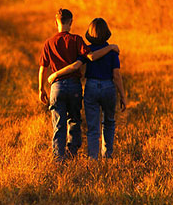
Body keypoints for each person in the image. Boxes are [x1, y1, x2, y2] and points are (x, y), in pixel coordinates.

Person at [38, 9, 119, 162]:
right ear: (71, 22)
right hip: (74, 86)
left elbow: (42, 68)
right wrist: (111, 47)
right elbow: (91, 57)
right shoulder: (76, 40)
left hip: (56, 88)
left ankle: (58, 158)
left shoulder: (48, 43)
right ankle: (72, 152)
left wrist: (41, 88)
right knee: (74, 120)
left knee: (58, 123)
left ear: (56, 22)